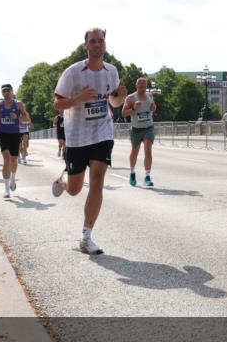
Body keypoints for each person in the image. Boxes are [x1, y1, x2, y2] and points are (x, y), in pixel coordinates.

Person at [51, 27, 127, 255]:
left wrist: (120, 98)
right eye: (93, 41)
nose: (97, 44)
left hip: (102, 132)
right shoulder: (73, 73)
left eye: (101, 41)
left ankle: (86, 236)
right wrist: (78, 98)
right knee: (74, 189)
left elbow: (112, 103)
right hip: (76, 136)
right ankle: (64, 179)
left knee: (97, 180)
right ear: (86, 45)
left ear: (105, 44)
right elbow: (58, 104)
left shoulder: (112, 71)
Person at [0, 84, 30, 199]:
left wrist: (17, 117)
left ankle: (13, 180)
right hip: (3, 134)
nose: (5, 93)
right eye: (3, 91)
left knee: (14, 159)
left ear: (11, 92)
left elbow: (27, 119)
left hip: (15, 135)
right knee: (6, 159)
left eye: (7, 91)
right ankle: (6, 190)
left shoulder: (18, 104)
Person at [123, 77, 157, 187]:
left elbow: (153, 108)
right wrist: (133, 108)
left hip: (148, 127)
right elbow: (123, 113)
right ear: (136, 86)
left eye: (145, 87)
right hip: (136, 129)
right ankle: (132, 172)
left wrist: (153, 107)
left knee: (148, 150)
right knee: (135, 151)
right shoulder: (131, 98)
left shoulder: (150, 96)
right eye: (141, 87)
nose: (143, 89)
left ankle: (147, 176)